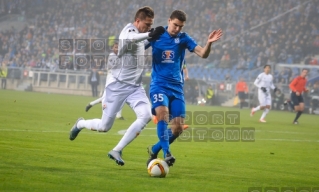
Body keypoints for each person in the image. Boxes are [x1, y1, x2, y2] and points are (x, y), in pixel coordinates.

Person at [69, 6, 165, 166]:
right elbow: (132, 40)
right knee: (104, 126)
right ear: (137, 21)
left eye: (151, 25)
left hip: (135, 87)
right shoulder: (128, 32)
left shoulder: (140, 36)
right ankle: (80, 124)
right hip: (117, 87)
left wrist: (154, 35)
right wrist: (150, 34)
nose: (148, 27)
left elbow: (142, 42)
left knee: (146, 115)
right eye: (146, 24)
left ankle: (117, 150)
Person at [145, 10, 223, 166]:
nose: (177, 29)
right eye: (175, 25)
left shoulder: (183, 38)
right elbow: (137, 48)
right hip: (159, 85)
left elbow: (203, 54)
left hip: (177, 89)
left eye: (180, 26)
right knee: (162, 114)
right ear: (169, 21)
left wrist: (209, 43)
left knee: (178, 128)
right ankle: (167, 152)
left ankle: (154, 149)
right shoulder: (157, 35)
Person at [85, 42, 124, 120]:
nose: (117, 49)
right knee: (106, 97)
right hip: (111, 79)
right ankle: (93, 105)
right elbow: (113, 67)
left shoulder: (121, 56)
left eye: (118, 47)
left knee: (120, 96)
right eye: (115, 47)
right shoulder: (112, 56)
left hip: (118, 79)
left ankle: (118, 115)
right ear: (113, 48)